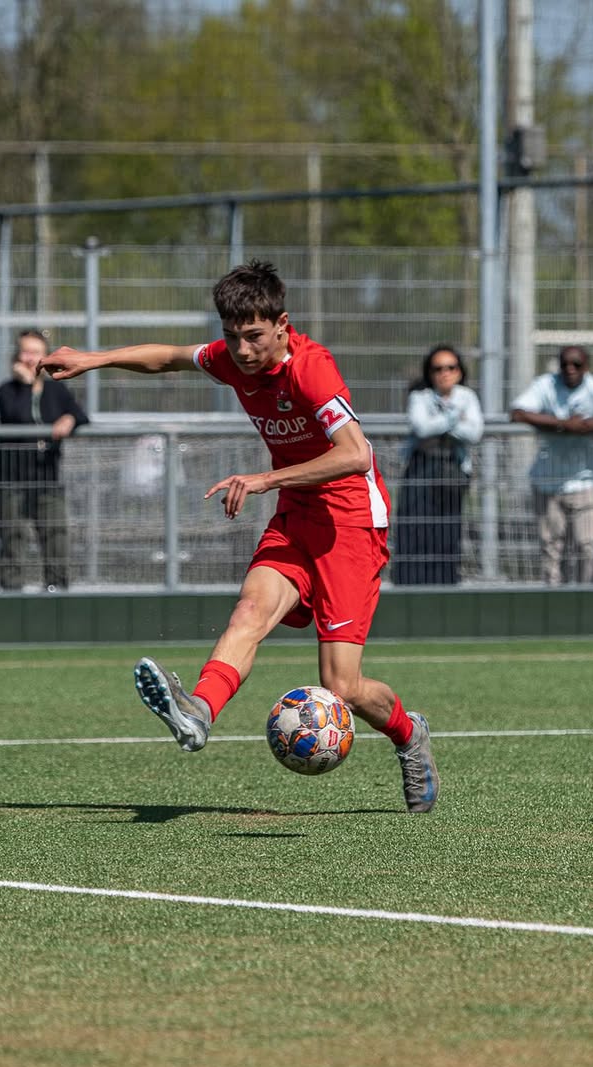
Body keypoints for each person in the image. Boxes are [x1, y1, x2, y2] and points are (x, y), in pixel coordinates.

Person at [41, 260, 439, 812]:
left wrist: (264, 479)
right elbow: (170, 358)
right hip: (297, 514)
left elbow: (355, 454)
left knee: (342, 687)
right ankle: (199, 712)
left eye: (253, 336)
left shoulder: (311, 370)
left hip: (349, 525)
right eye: (232, 336)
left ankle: (409, 734)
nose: (242, 350)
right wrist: (94, 359)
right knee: (249, 611)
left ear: (282, 325)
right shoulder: (232, 358)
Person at [510, 345, 593, 586]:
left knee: (585, 546)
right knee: (551, 548)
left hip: (584, 482)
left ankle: (586, 596)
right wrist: (563, 424)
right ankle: (553, 597)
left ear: (586, 367)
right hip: (547, 482)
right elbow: (518, 413)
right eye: (565, 365)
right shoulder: (545, 385)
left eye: (576, 365)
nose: (570, 369)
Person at [0, 329, 90, 592]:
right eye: (25, 352)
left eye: (36, 353)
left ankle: (56, 591)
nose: (30, 358)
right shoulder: (5, 391)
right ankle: (12, 593)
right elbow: (20, 417)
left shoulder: (56, 389)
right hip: (11, 481)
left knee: (56, 536)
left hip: (46, 479)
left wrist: (69, 418)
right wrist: (26, 385)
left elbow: (81, 415)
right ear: (16, 356)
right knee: (13, 539)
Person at [392, 345, 484, 586]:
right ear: (429, 372)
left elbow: (474, 432)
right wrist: (455, 417)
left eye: (451, 367)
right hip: (420, 468)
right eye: (438, 368)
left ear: (459, 371)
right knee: (414, 530)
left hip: (452, 471)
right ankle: (410, 588)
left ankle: (445, 587)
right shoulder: (419, 397)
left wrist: (439, 423)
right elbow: (421, 428)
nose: (445, 373)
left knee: (446, 532)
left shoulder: (467, 397)